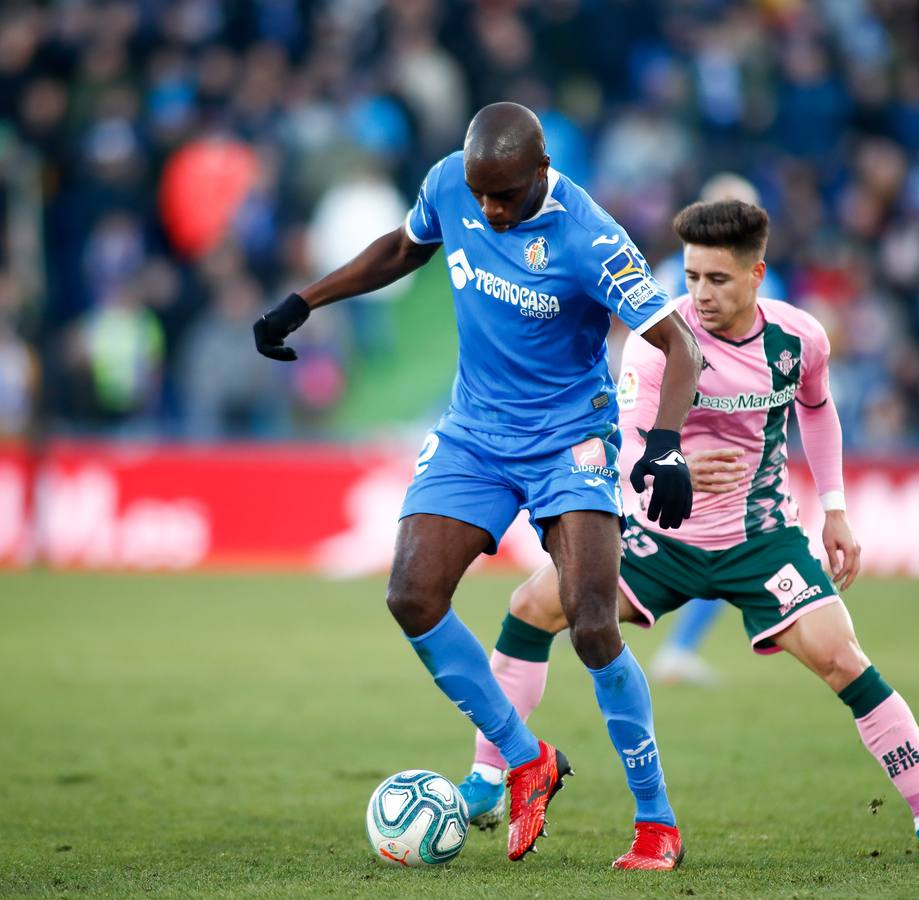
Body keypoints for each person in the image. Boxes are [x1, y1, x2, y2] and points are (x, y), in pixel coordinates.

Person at [253, 102, 703, 867]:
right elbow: (404, 247)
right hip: (476, 433)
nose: (488, 208)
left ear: (540, 174)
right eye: (479, 192)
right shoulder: (449, 184)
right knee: (411, 594)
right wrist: (306, 302)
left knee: (593, 621)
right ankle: (526, 758)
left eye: (505, 195)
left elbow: (679, 345)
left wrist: (664, 445)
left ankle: (656, 821)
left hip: (570, 441)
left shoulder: (590, 235)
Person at [463, 199, 919, 864]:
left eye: (717, 279)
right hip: (658, 540)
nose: (699, 293)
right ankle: (486, 774)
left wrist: (837, 508)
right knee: (531, 605)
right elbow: (624, 450)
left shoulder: (800, 339)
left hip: (760, 540)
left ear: (757, 274)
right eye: (692, 276)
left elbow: (817, 412)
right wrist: (668, 465)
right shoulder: (658, 344)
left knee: (844, 660)